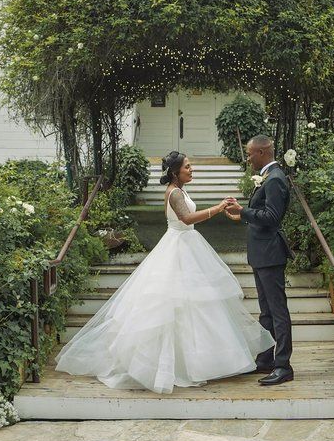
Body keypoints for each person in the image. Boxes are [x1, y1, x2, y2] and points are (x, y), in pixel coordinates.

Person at [54, 150, 274, 394]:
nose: (191, 170)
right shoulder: (175, 192)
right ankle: (173, 366)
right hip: (178, 246)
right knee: (174, 305)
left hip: (187, 244)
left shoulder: (180, 190)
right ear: (174, 172)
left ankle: (199, 362)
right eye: (187, 167)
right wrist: (218, 207)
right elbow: (187, 218)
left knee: (197, 306)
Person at [224, 134, 294, 386]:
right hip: (261, 253)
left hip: (270, 253)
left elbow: (272, 216)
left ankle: (283, 364)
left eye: (250, 153)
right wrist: (243, 214)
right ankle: (265, 358)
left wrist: (244, 211)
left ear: (263, 152)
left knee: (277, 310)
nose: (247, 157)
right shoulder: (269, 175)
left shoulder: (275, 179)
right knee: (266, 311)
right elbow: (261, 212)